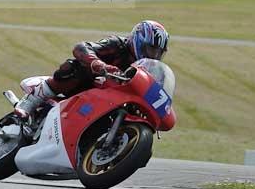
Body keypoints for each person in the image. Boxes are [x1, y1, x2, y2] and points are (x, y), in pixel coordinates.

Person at [15, 19, 170, 119]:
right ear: (138, 39)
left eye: (158, 52)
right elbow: (82, 47)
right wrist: (99, 65)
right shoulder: (117, 44)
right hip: (89, 84)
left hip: (113, 100)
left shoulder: (149, 69)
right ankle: (32, 100)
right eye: (150, 49)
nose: (154, 55)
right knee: (74, 67)